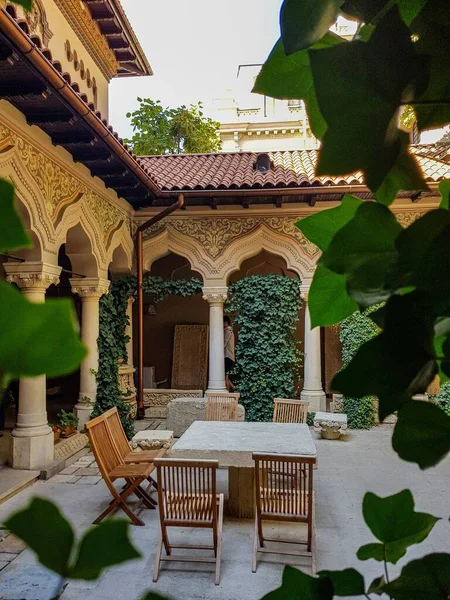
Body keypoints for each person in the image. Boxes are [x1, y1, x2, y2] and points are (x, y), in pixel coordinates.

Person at [223, 315, 235, 392]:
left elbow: (225, 341)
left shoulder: (228, 330)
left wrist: (219, 351)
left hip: (228, 356)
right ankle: (234, 388)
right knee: (225, 376)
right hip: (229, 357)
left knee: (225, 377)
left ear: (226, 322)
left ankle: (227, 392)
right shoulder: (228, 330)